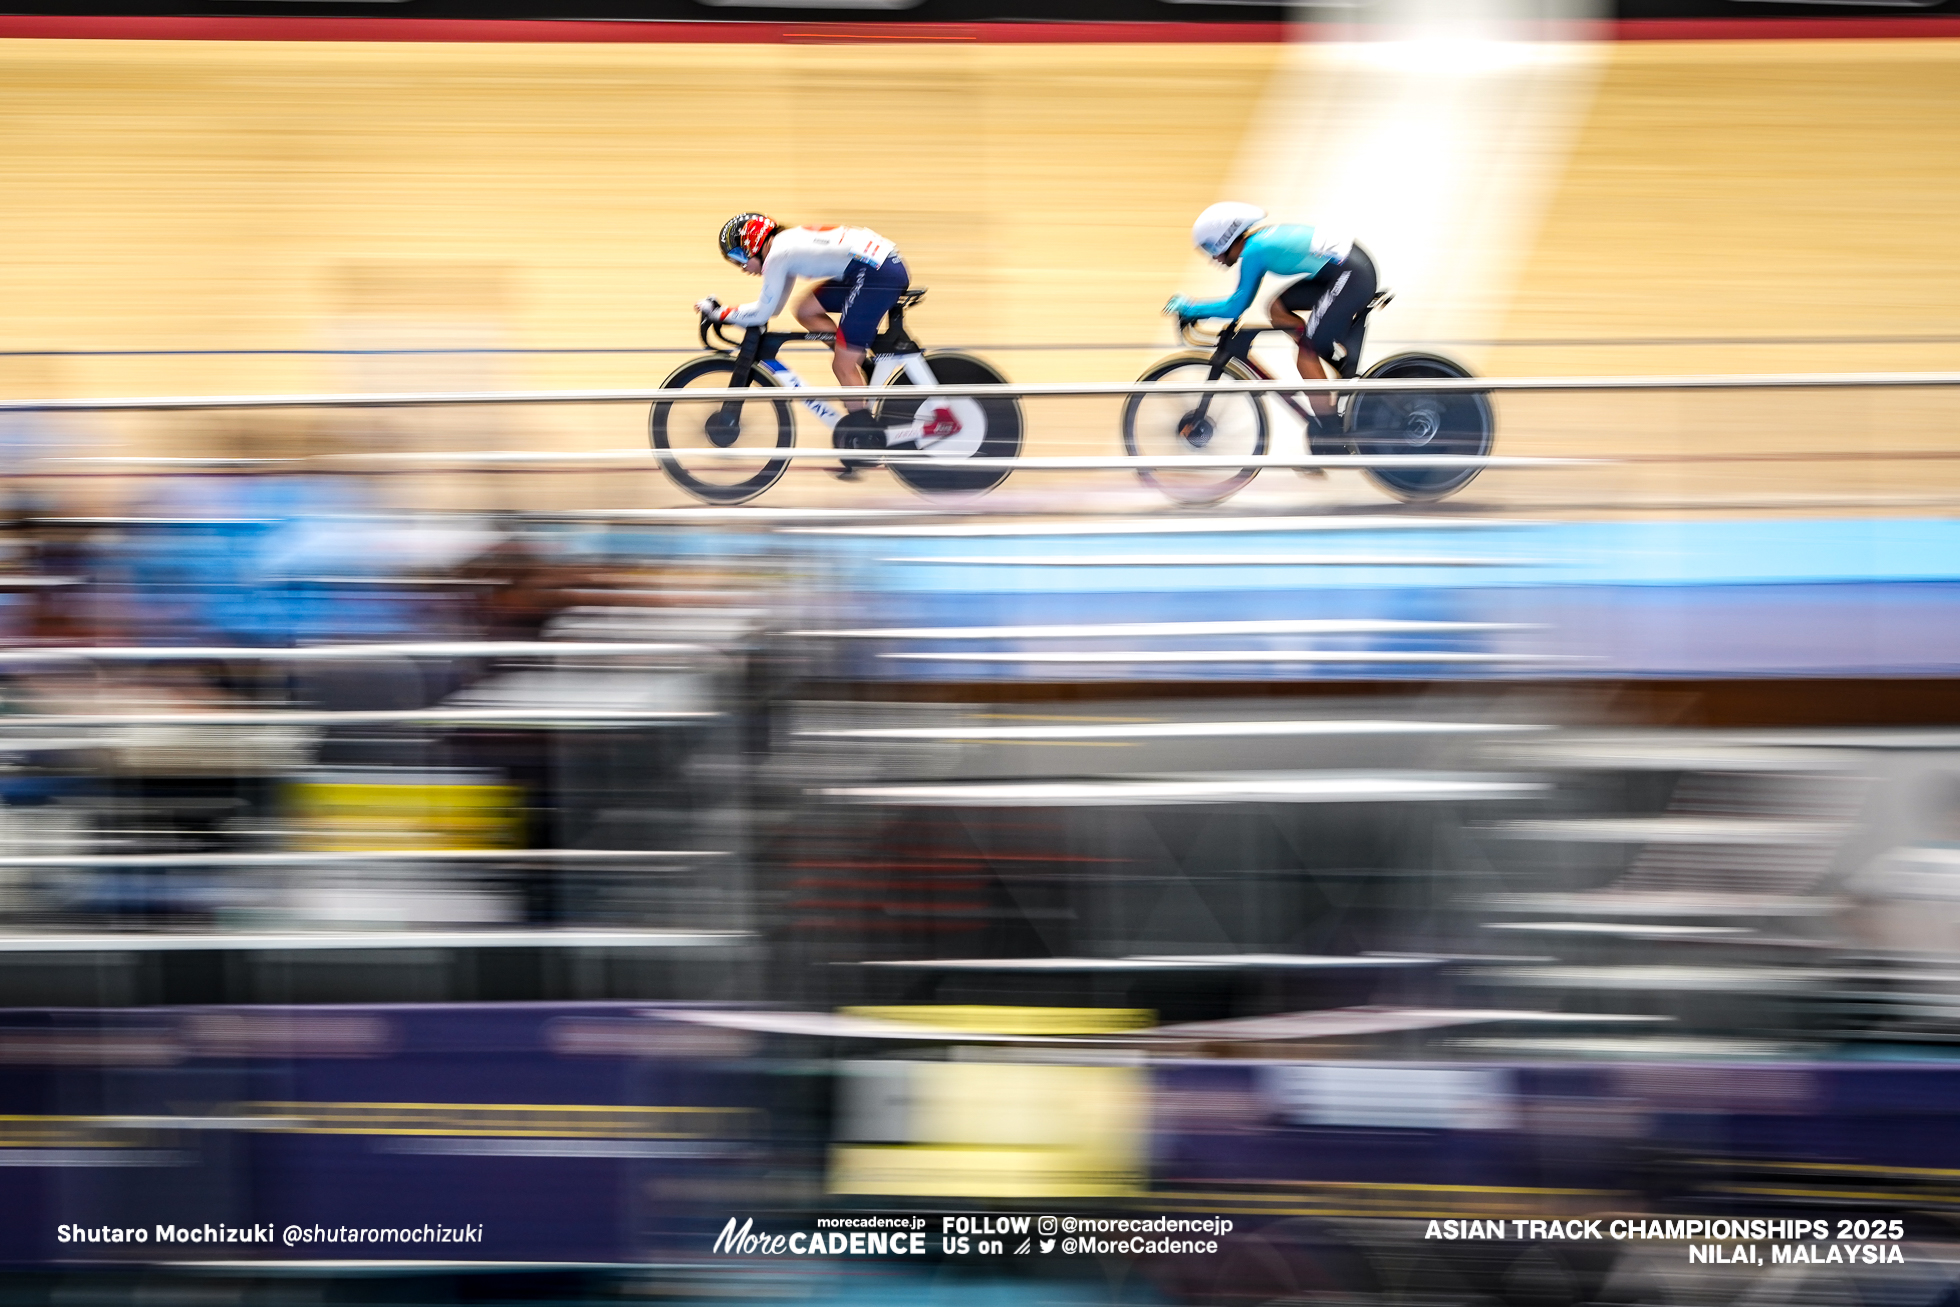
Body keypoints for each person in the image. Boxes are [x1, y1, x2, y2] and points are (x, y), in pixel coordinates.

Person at [695, 214, 908, 470]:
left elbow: (763, 313)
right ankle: (856, 359)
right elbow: (772, 310)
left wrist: (719, 313)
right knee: (806, 310)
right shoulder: (783, 248)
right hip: (874, 266)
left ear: (753, 243)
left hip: (876, 273)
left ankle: (864, 439)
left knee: (842, 366)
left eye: (740, 258)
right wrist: (728, 313)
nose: (742, 267)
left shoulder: (777, 255)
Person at [1166, 202, 1377, 439]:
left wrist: (1191, 308)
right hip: (1345, 270)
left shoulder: (1254, 251)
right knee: (1277, 308)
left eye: (1208, 248)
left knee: (1304, 359)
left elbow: (1237, 306)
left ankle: (1331, 433)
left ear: (1223, 238)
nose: (1211, 257)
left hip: (1351, 275)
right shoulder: (1256, 244)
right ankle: (1324, 355)